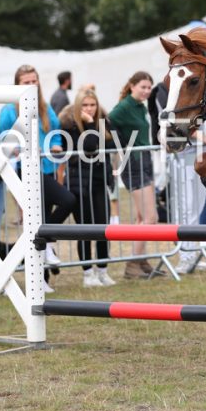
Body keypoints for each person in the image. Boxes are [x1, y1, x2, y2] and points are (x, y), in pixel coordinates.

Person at [0, 65, 76, 293]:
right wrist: (14, 148)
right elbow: (3, 137)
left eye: (34, 80)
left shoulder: (45, 106)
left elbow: (54, 132)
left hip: (47, 167)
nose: (32, 85)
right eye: (26, 82)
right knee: (68, 200)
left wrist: (56, 145)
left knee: (39, 222)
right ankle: (47, 241)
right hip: (25, 170)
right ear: (17, 85)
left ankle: (41, 277)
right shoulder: (9, 110)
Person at [59, 88, 117, 288]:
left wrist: (96, 125)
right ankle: (87, 273)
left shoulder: (104, 122)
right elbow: (90, 147)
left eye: (92, 105)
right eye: (85, 105)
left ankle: (102, 271)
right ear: (78, 106)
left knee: (103, 228)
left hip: (100, 181)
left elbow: (113, 145)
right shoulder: (70, 126)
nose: (89, 109)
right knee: (84, 229)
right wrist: (91, 124)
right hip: (79, 184)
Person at [109, 71, 161, 280]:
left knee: (142, 217)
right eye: (143, 87)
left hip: (144, 159)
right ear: (132, 86)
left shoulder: (141, 106)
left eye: (149, 87)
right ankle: (132, 265)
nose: (147, 91)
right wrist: (120, 145)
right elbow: (108, 121)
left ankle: (141, 260)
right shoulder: (124, 107)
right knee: (150, 218)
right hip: (133, 163)